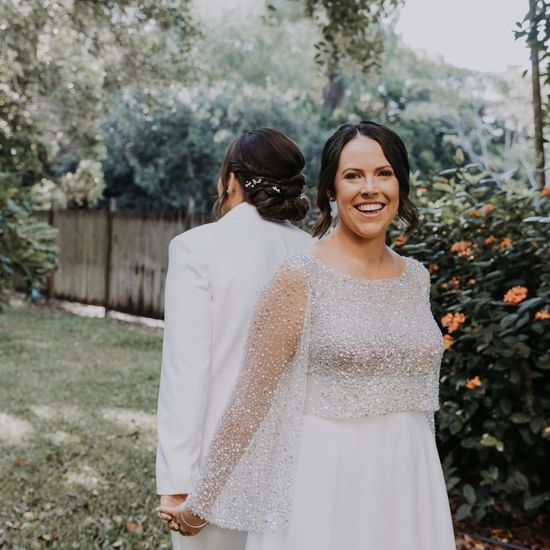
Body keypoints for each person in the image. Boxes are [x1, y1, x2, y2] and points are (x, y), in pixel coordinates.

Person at [160, 121, 456, 549]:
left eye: (384, 173)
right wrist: (201, 501)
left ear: (401, 185)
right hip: (326, 485)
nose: (370, 187)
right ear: (330, 191)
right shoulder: (300, 274)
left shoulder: (416, 278)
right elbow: (251, 396)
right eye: (353, 176)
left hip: (408, 480)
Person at [156, 127, 313, 550]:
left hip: (217, 463)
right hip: (301, 462)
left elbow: (185, 370)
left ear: (230, 181)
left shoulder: (197, 248)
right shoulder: (316, 252)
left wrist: (177, 479)